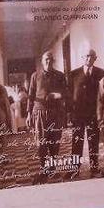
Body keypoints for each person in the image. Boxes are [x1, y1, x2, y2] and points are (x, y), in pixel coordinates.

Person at [27, 50, 67, 184]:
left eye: (51, 59)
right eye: (46, 60)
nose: (48, 62)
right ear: (42, 61)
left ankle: (52, 167)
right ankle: (44, 167)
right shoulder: (35, 76)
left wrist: (57, 95)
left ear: (53, 61)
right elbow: (31, 96)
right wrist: (28, 114)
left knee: (55, 141)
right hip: (39, 113)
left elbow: (65, 93)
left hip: (55, 113)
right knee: (41, 142)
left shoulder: (60, 76)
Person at [68, 47, 104, 178]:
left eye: (92, 56)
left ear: (95, 58)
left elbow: (102, 95)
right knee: (77, 141)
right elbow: (69, 95)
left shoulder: (100, 73)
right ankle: (74, 169)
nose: (89, 58)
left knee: (93, 141)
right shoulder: (73, 74)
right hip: (77, 114)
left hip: (93, 114)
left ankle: (94, 169)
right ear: (83, 58)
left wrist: (101, 113)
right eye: (87, 56)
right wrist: (69, 113)